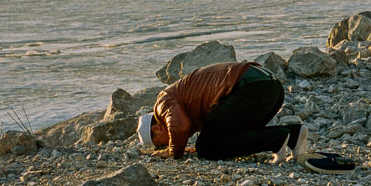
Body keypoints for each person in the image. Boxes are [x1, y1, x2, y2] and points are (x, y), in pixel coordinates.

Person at [138, 60, 353, 172]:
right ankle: (294, 135)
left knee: (207, 148)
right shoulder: (183, 98)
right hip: (270, 86)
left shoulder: (163, 101)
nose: (162, 147)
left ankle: (277, 140)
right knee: (221, 136)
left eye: (159, 144)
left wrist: (173, 151)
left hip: (250, 88)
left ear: (156, 128)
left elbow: (179, 126)